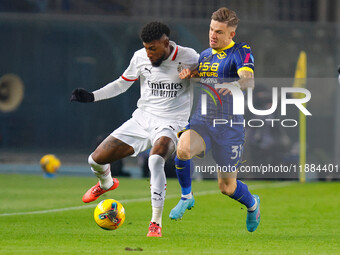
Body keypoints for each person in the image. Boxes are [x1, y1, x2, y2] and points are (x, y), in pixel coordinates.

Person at [71, 21, 199, 237]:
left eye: (153, 48)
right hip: (142, 119)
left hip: (171, 122)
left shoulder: (189, 57)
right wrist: (92, 96)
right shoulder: (140, 57)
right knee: (95, 160)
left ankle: (155, 223)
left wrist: (196, 74)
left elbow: (212, 73)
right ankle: (106, 183)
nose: (148, 53)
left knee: (155, 160)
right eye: (146, 47)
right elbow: (122, 83)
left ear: (166, 43)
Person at [169, 7, 261, 232]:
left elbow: (248, 80)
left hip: (229, 128)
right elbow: (204, 72)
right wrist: (189, 73)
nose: (213, 35)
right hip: (203, 122)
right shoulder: (205, 54)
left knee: (227, 187)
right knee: (182, 149)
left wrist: (235, 84)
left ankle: (252, 204)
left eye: (219, 32)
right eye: (211, 29)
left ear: (231, 35)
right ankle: (186, 196)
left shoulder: (241, 52)